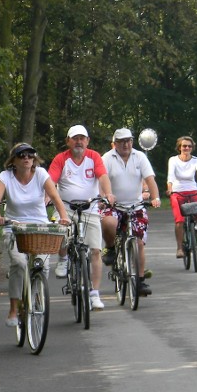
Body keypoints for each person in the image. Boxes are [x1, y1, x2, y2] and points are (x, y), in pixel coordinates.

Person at [0, 143, 70, 326]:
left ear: (34, 159)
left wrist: (63, 217)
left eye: (30, 155)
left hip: (39, 227)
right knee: (18, 263)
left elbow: (56, 197)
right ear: (14, 160)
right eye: (22, 155)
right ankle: (13, 308)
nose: (26, 158)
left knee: (41, 266)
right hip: (15, 227)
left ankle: (34, 295)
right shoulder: (6, 177)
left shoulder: (41, 174)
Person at [48, 124, 115, 310]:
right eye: (75, 138)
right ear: (68, 141)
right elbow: (51, 180)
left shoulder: (94, 157)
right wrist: (47, 196)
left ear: (87, 141)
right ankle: (63, 259)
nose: (79, 141)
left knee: (95, 250)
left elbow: (102, 176)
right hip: (65, 208)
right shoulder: (61, 159)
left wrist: (108, 193)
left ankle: (94, 293)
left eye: (82, 138)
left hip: (89, 208)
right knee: (60, 231)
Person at [100, 128, 161, 297]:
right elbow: (101, 180)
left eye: (129, 140)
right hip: (114, 205)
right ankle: (111, 248)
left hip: (136, 205)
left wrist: (155, 198)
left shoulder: (139, 157)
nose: (126, 144)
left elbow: (150, 179)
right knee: (109, 223)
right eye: (122, 141)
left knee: (139, 242)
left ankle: (140, 281)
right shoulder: (107, 158)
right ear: (115, 144)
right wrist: (103, 198)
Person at [166, 136, 197, 258]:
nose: (186, 148)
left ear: (192, 148)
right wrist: (170, 188)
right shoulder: (173, 160)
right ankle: (179, 248)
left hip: (192, 190)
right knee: (179, 221)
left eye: (189, 146)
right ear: (179, 147)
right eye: (184, 146)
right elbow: (170, 175)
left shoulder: (196, 160)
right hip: (177, 192)